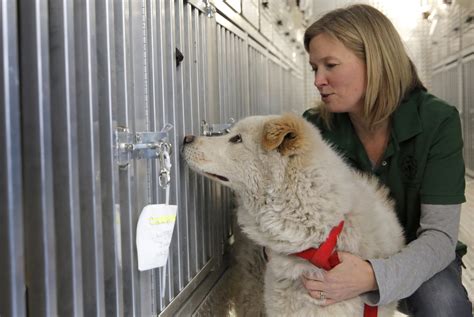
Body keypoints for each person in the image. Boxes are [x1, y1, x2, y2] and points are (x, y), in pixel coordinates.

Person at [298, 4, 472, 316]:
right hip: (339, 255)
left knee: (444, 304)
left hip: (416, 254)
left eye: (330, 65)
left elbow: (439, 236)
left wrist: (373, 275)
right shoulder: (315, 126)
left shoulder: (437, 121)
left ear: (374, 62)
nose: (318, 80)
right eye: (314, 68)